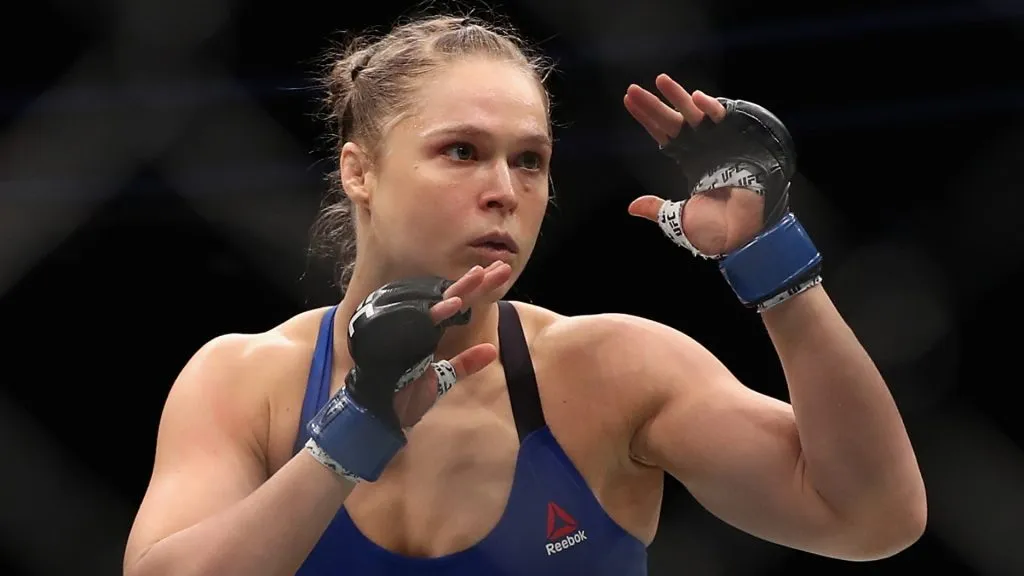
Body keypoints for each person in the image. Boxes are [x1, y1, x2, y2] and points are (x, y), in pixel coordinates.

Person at [122, 13, 927, 576]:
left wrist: (772, 262)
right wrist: (349, 438)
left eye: (531, 160)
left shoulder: (612, 372)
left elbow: (872, 518)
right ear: (359, 169)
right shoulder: (245, 382)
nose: (504, 190)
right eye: (462, 151)